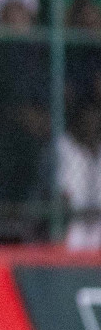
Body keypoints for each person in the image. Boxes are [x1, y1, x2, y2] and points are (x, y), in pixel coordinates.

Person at [58, 102, 101, 251]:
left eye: (96, 122)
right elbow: (64, 189)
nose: (92, 126)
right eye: (88, 121)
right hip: (76, 216)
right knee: (75, 246)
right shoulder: (67, 146)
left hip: (98, 215)